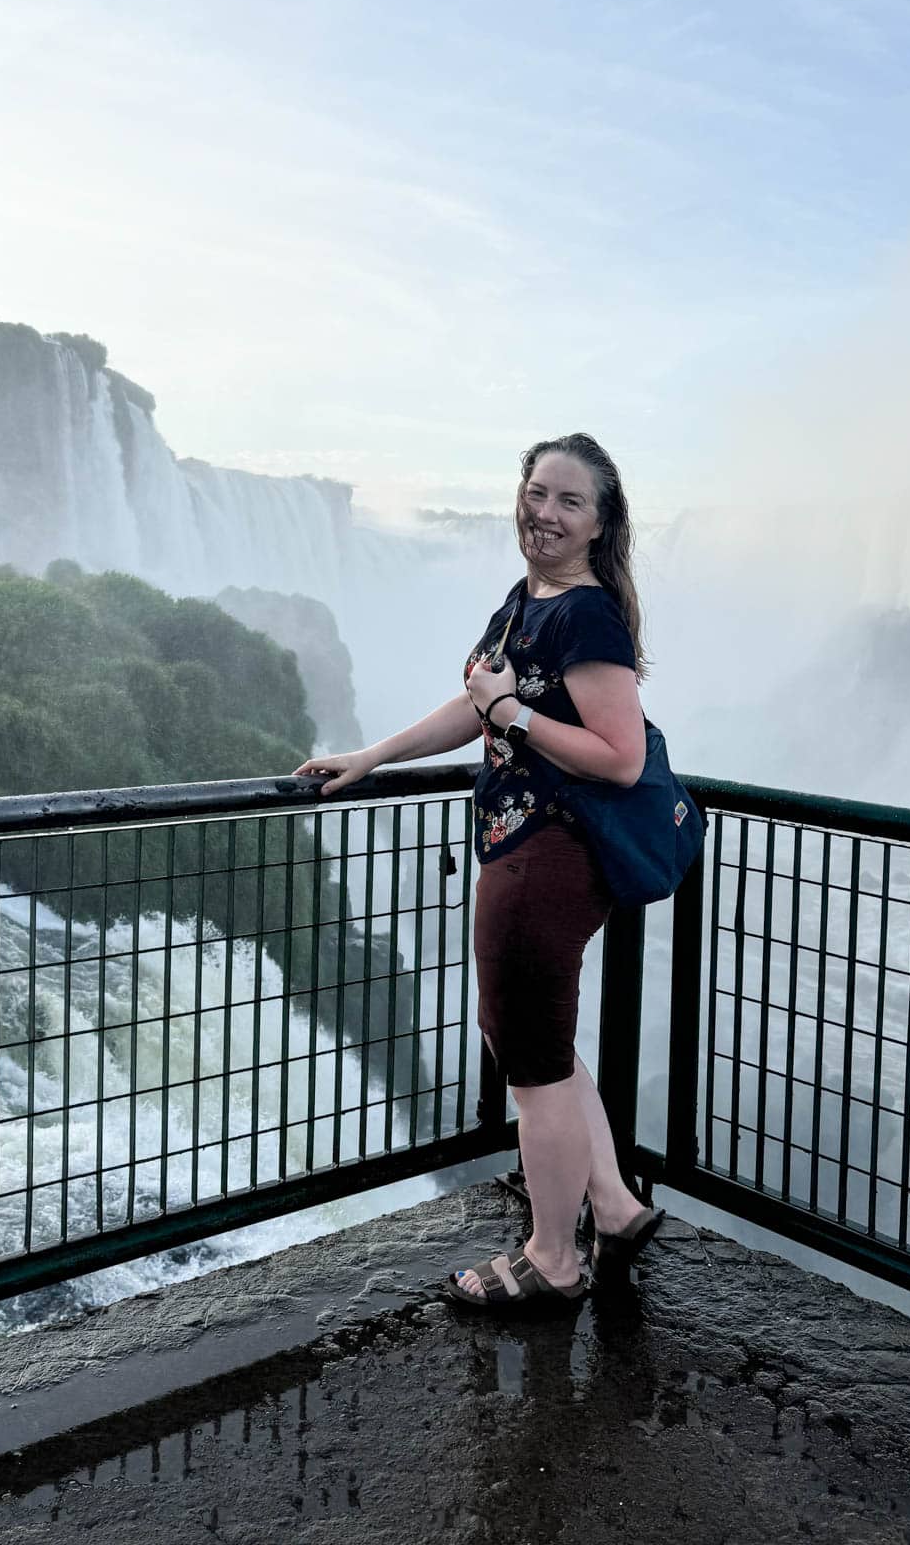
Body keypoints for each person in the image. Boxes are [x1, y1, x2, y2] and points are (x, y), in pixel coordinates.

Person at [294, 432, 665, 1307]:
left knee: (529, 1068)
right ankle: (611, 1209)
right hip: (521, 848)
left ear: (600, 524)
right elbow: (476, 704)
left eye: (570, 501)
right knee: (536, 1045)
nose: (545, 512)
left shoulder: (586, 615)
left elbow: (620, 756)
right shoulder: (527, 600)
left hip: (549, 860)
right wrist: (375, 754)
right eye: (538, 492)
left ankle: (552, 1260)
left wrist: (514, 714)